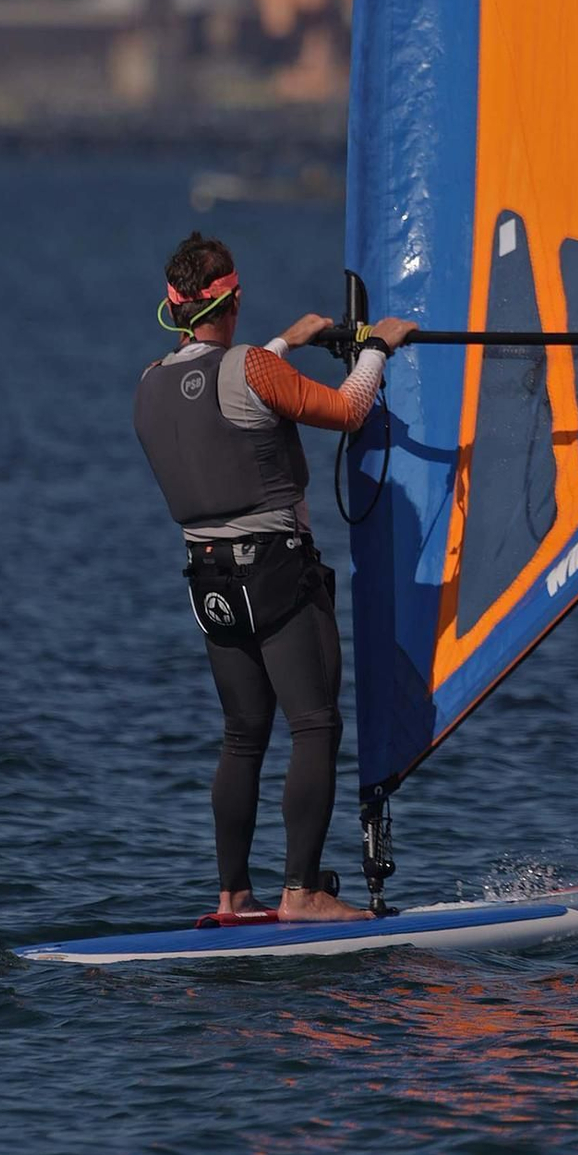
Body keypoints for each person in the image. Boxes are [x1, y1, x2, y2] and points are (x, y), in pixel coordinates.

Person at [133, 231, 413, 924]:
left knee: (242, 735)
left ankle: (233, 897)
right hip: (277, 573)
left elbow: (224, 397)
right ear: (231, 300)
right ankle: (302, 893)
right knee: (314, 725)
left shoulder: (149, 385)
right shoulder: (253, 367)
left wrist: (285, 342)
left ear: (175, 310)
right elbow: (347, 408)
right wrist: (377, 346)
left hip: (209, 585)